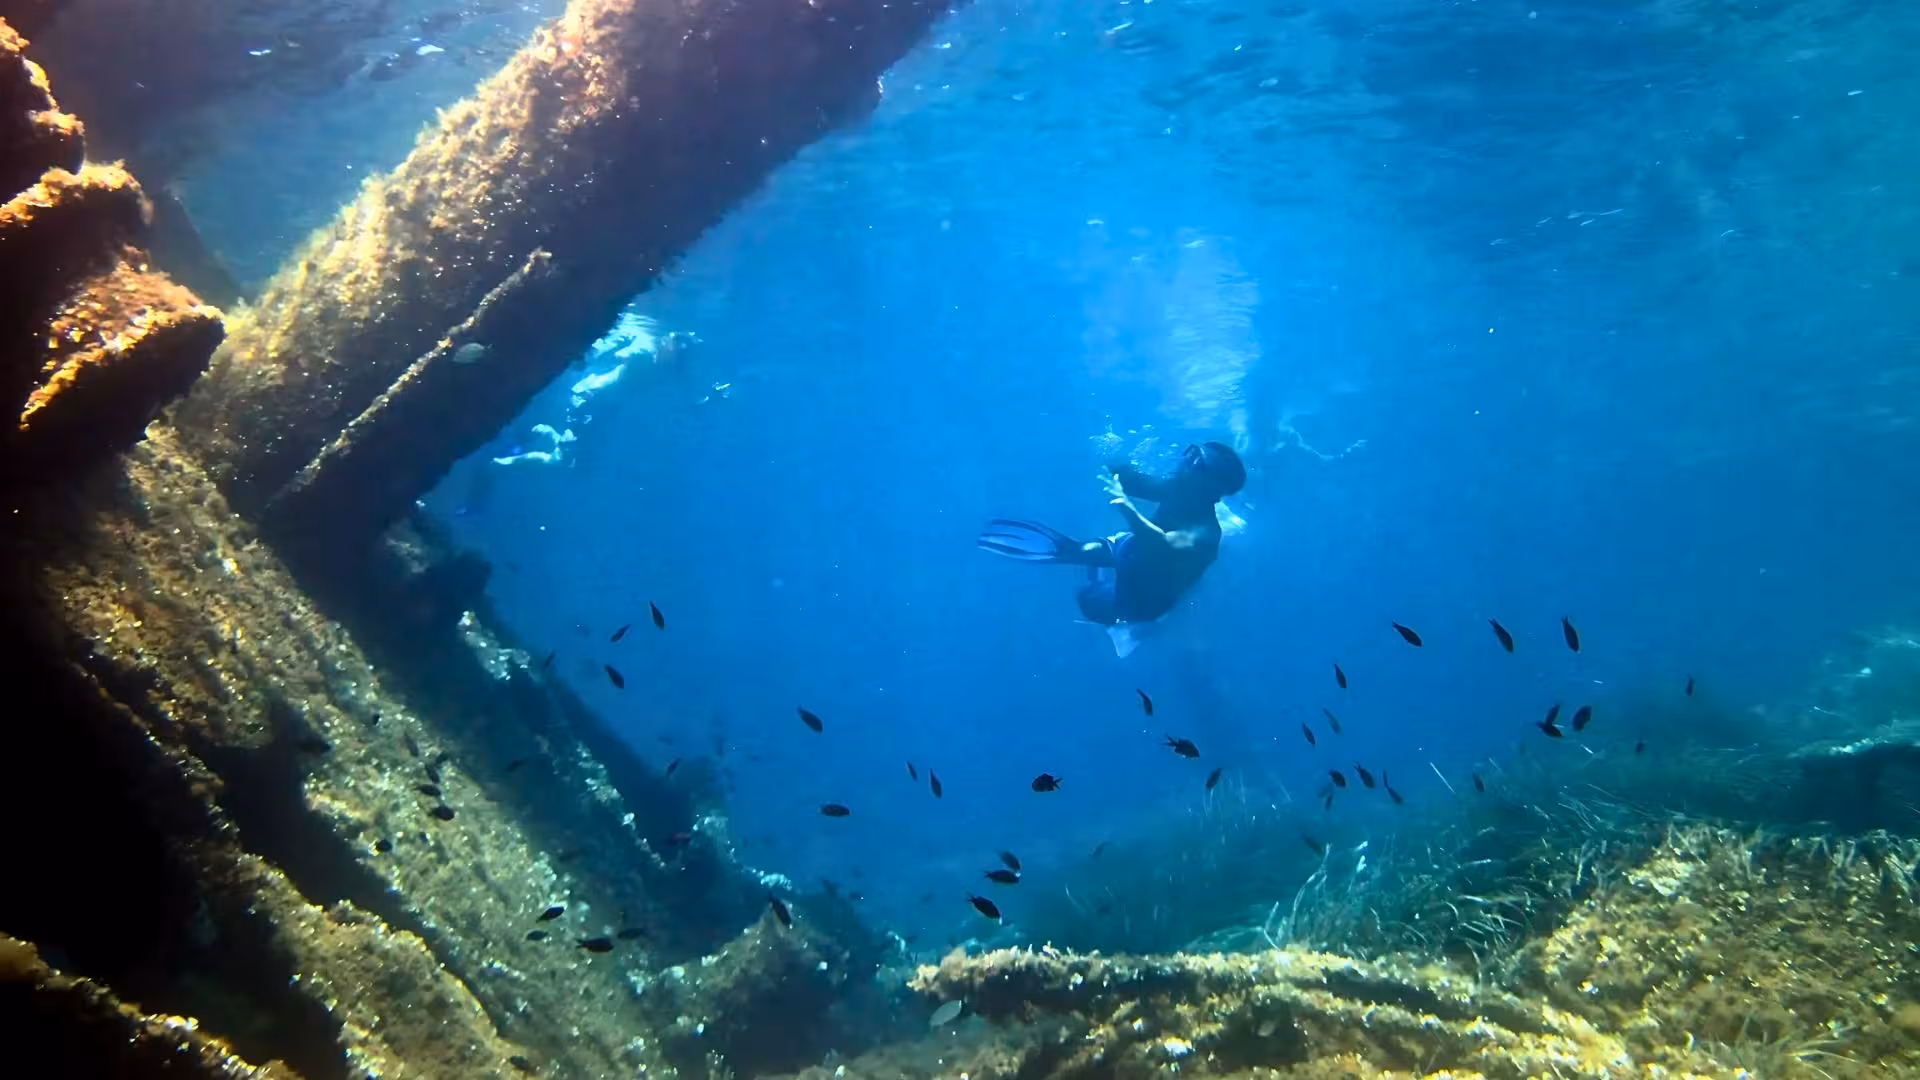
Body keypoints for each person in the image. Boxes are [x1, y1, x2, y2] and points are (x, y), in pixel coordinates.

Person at [978, 441, 1247, 657]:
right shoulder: (1179, 487)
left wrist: (1125, 506)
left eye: (1196, 462)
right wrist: (1112, 463)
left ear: (1213, 487)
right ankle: (1077, 553)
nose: (1184, 462)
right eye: (1190, 453)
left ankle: (1129, 624)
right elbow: (1140, 484)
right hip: (1132, 550)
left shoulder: (1208, 533)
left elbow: (1165, 544)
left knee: (1087, 599)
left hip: (1146, 591)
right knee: (1078, 550)